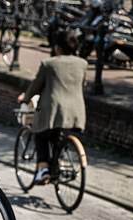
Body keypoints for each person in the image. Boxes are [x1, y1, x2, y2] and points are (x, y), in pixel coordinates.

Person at [18, 29, 87, 185]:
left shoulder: (49, 64)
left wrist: (25, 98)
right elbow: (83, 85)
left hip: (53, 111)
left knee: (39, 133)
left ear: (57, 47)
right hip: (76, 113)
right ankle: (59, 164)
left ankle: (42, 170)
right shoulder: (82, 64)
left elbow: (36, 86)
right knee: (58, 138)